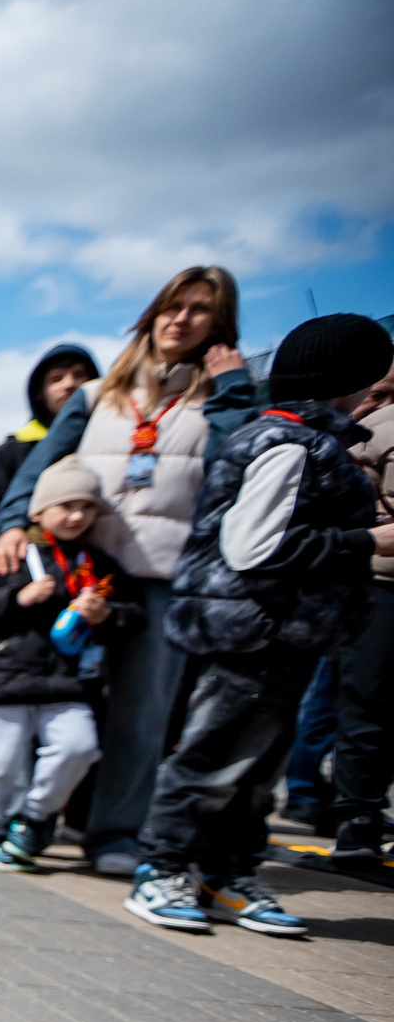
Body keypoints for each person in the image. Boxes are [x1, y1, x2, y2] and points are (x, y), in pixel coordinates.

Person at [125, 315, 394, 937]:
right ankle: (160, 869)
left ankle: (229, 871)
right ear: (352, 378)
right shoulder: (292, 442)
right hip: (254, 630)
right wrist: (364, 540)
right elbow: (252, 547)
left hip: (282, 633)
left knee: (256, 767)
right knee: (212, 757)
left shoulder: (309, 440)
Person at [0, 268, 258, 875]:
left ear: (219, 326)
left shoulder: (222, 399)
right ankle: (24, 818)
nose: (181, 319)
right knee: (51, 699)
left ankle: (114, 834)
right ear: (153, 312)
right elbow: (38, 471)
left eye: (199, 311)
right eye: (173, 305)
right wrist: (10, 523)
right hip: (77, 573)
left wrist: (235, 391)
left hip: (162, 581)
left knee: (143, 715)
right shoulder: (94, 396)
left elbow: (233, 472)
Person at [0, 464, 132, 871]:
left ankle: (32, 818)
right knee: (0, 765)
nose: (77, 516)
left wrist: (107, 615)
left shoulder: (98, 564)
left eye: (87, 507)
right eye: (66, 505)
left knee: (80, 746)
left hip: (68, 682)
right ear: (37, 511)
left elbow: (134, 615)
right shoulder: (8, 556)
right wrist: (18, 599)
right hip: (5, 680)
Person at [326, 361, 394, 864]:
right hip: (379, 585)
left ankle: (360, 825)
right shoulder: (377, 430)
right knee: (364, 705)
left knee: (364, 707)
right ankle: (358, 826)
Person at [0, 344, 99, 545]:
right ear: (39, 393)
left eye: (79, 375)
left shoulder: (108, 444)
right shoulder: (9, 453)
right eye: (56, 378)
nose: (69, 384)